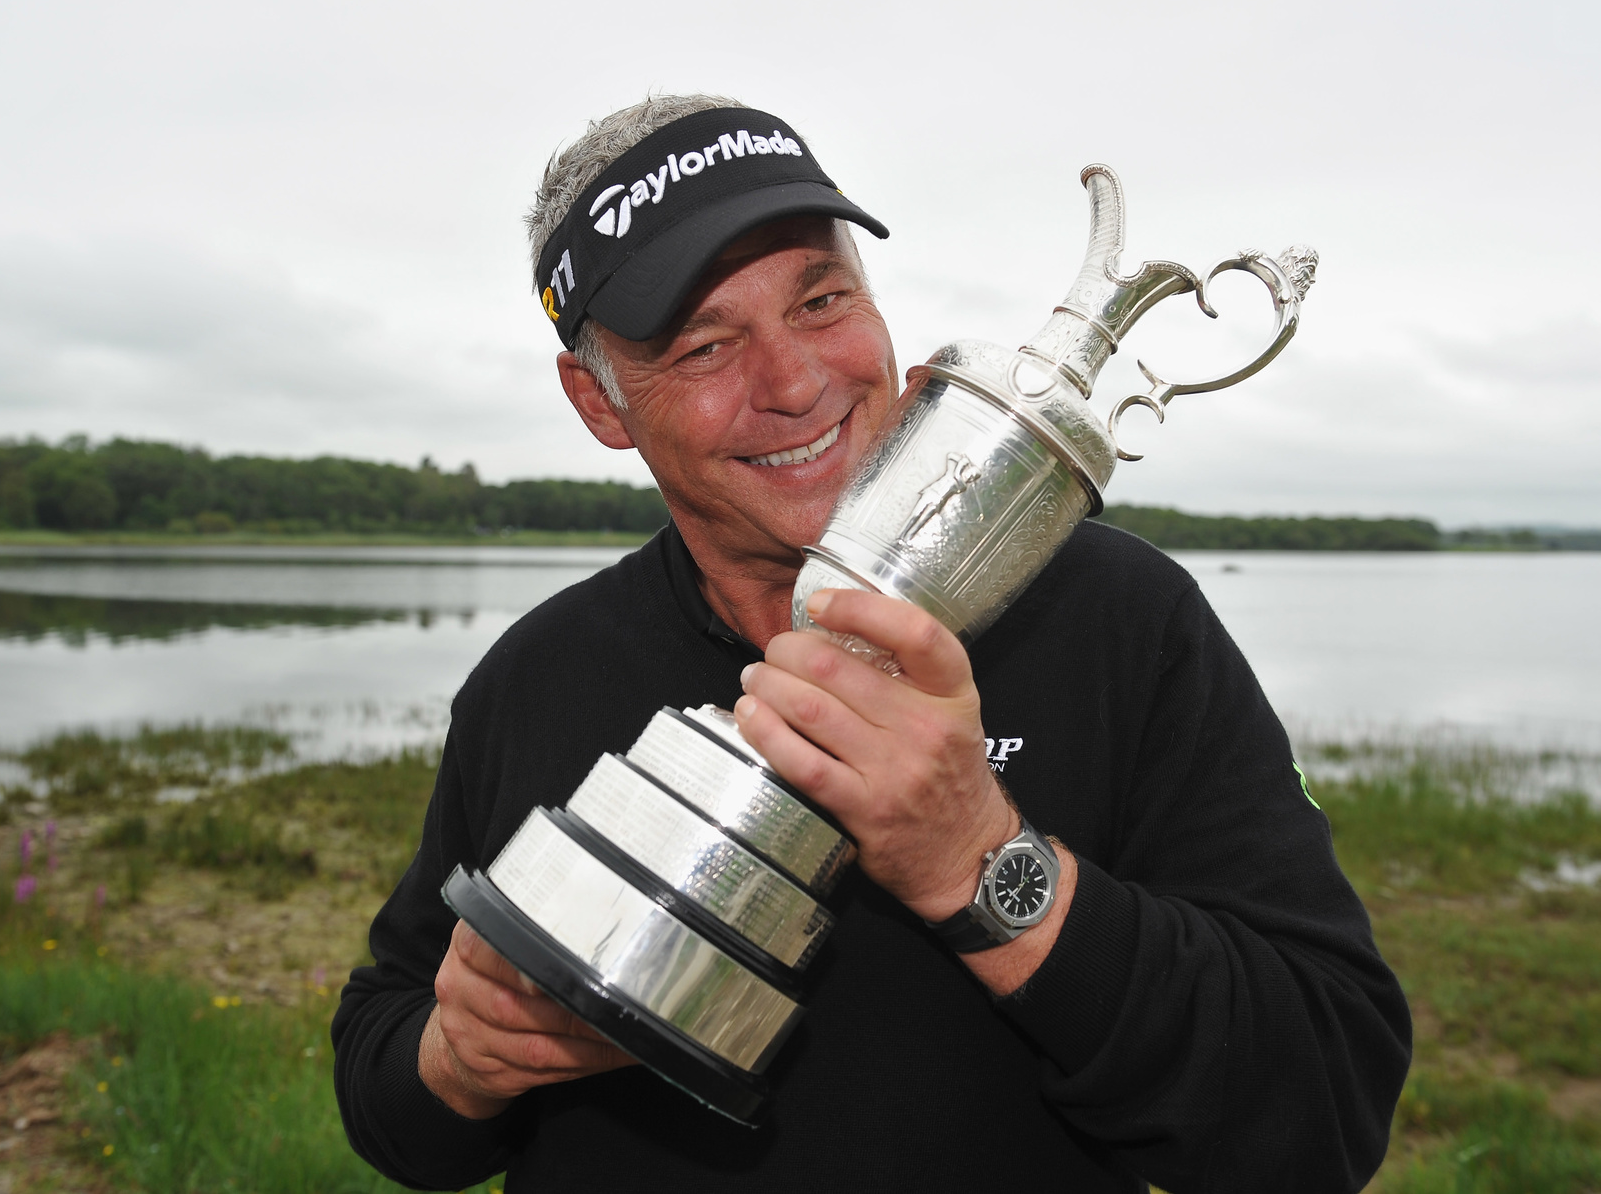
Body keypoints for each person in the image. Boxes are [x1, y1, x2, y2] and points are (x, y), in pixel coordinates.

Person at [333, 94, 1410, 1193]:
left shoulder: (1125, 625)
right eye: (705, 344)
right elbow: (387, 1085)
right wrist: (460, 1063)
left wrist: (981, 860)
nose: (796, 383)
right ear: (599, 403)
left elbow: (1322, 1105)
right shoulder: (540, 675)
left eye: (823, 298)